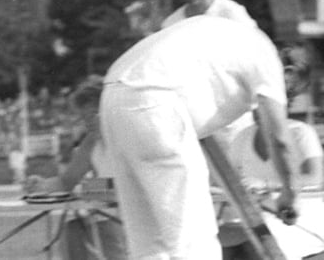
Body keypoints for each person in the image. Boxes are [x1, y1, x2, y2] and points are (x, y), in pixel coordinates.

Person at [100, 15, 298, 259]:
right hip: (155, 103)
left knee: (150, 245)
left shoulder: (231, 43)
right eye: (290, 92)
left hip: (114, 95)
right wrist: (290, 193)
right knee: (194, 241)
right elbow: (279, 137)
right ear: (288, 72)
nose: (285, 98)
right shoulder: (267, 58)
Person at [221, 49, 324, 260]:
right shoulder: (242, 137)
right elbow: (230, 182)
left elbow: (315, 177)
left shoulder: (301, 133)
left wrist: (263, 185)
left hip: (296, 217)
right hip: (255, 218)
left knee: (252, 244)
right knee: (220, 240)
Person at [24, 76, 127, 260]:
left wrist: (85, 190)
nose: (87, 121)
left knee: (104, 230)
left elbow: (126, 188)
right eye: (83, 117)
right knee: (72, 229)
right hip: (102, 216)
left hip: (128, 219)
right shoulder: (90, 142)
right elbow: (66, 182)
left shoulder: (128, 138)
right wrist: (42, 185)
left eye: (92, 114)